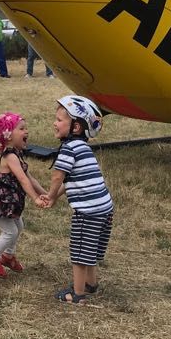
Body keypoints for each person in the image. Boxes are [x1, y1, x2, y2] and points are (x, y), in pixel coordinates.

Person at [43, 95, 114, 304]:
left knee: (80, 252)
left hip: (88, 212)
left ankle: (77, 294)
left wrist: (49, 194)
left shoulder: (68, 148)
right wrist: (55, 197)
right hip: (105, 208)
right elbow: (74, 181)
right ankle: (91, 284)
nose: (54, 123)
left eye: (59, 120)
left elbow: (59, 177)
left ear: (75, 127)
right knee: (90, 248)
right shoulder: (84, 148)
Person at [0, 112, 49, 277]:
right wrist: (35, 198)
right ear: (8, 136)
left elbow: (30, 178)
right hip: (0, 202)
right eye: (21, 128)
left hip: (10, 202)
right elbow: (23, 180)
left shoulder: (18, 154)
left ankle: (8, 256)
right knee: (10, 232)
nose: (26, 131)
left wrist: (46, 194)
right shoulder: (10, 156)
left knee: (19, 226)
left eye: (26, 128)